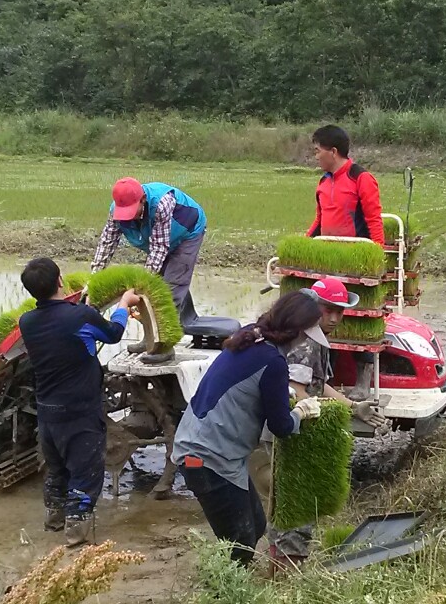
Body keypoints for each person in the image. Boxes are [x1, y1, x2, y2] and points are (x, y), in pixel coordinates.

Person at [171, 292, 326, 566]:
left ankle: (233, 576)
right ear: (298, 331)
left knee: (255, 525)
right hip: (205, 458)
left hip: (214, 450)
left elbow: (250, 386)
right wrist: (300, 412)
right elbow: (281, 426)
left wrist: (282, 395)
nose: (305, 342)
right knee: (239, 545)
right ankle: (223, 585)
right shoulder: (273, 361)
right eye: (306, 335)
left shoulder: (251, 335)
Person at [263, 277, 387, 572]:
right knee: (296, 505)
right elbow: (296, 391)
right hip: (291, 432)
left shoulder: (314, 335)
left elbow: (317, 384)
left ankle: (279, 567)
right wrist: (327, 421)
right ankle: (286, 573)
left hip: (294, 426)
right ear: (312, 307)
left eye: (339, 311)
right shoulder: (305, 341)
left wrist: (353, 407)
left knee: (285, 504)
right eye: (327, 309)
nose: (333, 317)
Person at [18, 257, 140, 546]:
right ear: (60, 280)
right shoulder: (79, 316)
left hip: (47, 413)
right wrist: (124, 304)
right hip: (79, 412)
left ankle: (53, 522)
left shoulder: (27, 322)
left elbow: (62, 329)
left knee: (57, 470)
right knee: (85, 474)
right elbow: (113, 334)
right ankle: (75, 538)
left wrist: (84, 310)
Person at [91, 178, 206, 317]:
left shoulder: (161, 204)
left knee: (171, 287)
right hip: (160, 237)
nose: (128, 216)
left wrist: (140, 287)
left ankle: (168, 326)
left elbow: (159, 248)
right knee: (157, 283)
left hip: (187, 232)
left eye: (131, 211)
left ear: (143, 199)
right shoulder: (115, 211)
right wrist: (94, 278)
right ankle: (167, 318)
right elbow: (107, 242)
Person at [307, 125, 384, 246]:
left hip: (355, 251)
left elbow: (374, 220)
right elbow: (319, 220)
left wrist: (378, 253)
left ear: (333, 152)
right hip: (327, 251)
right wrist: (303, 243)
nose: (316, 157)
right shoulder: (324, 182)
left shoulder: (361, 178)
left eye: (318, 151)